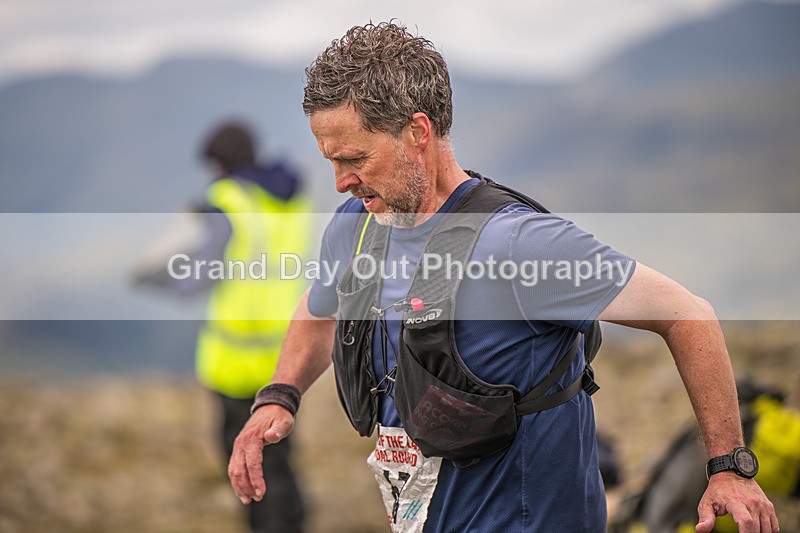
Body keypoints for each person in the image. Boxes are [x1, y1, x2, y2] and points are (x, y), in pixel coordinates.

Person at [227, 23, 779, 533]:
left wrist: (730, 467)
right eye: (330, 161)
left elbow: (689, 314)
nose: (341, 181)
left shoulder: (518, 244)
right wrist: (279, 395)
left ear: (417, 132)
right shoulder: (358, 226)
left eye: (355, 158)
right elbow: (322, 306)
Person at [138, 122, 309, 533]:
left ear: (220, 163)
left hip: (236, 359)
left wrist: (160, 279)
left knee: (246, 462)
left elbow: (197, 275)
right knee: (280, 457)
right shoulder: (289, 197)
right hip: (287, 353)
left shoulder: (226, 200)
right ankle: (294, 523)